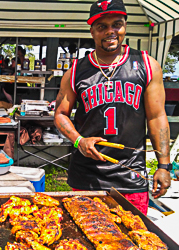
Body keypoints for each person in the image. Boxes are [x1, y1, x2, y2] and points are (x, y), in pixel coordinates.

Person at [54, 0, 171, 215]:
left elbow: (157, 117)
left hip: (130, 176)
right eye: (102, 27)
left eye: (116, 24)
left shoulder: (146, 64)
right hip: (86, 176)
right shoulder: (76, 71)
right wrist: (79, 141)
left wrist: (163, 166)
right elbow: (60, 114)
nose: (110, 31)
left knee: (133, 241)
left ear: (125, 26)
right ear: (92, 31)